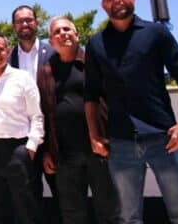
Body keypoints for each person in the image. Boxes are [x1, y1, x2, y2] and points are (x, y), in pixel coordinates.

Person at [85, 0, 178, 224]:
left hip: (164, 138)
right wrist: (94, 136)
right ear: (103, 5)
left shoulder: (156, 33)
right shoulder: (95, 44)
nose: (117, 0)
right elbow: (91, 96)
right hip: (121, 143)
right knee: (128, 218)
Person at [38, 17, 118, 224]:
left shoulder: (95, 64)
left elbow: (114, 101)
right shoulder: (46, 72)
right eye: (57, 31)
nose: (63, 33)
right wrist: (47, 150)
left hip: (99, 150)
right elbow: (44, 113)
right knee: (73, 215)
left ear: (77, 35)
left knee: (109, 211)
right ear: (51, 41)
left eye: (67, 29)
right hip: (64, 155)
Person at [0, 33, 44, 224]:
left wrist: (30, 148)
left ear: (8, 51)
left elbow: (37, 115)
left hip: (17, 150)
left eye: (0, 49)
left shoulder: (23, 78)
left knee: (26, 208)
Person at [10, 5, 57, 218]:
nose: (25, 24)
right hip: (23, 140)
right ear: (14, 26)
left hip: (55, 137)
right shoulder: (6, 58)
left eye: (29, 20)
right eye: (20, 21)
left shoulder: (54, 53)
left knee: (65, 197)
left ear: (37, 22)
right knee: (30, 200)